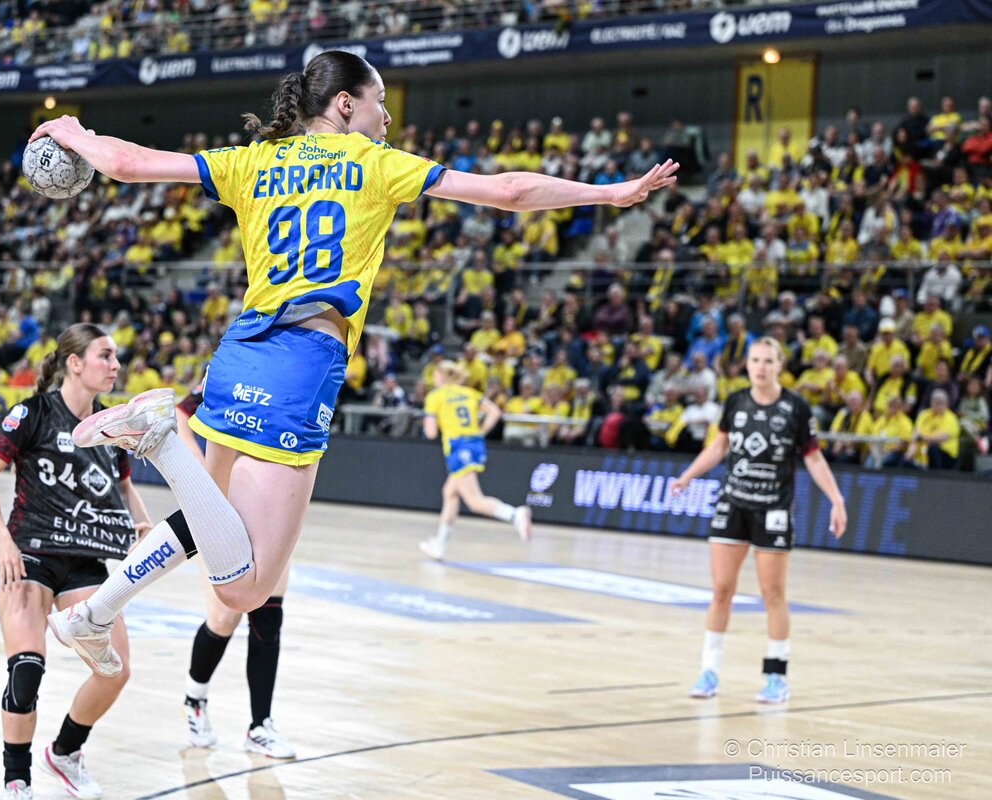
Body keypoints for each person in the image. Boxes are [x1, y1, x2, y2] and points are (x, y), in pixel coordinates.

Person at [34, 51, 678, 675]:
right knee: (246, 589)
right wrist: (611, 192)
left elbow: (127, 163)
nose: (388, 118)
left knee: (212, 518)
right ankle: (161, 442)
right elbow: (509, 191)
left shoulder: (253, 159)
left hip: (238, 354)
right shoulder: (375, 162)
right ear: (346, 104)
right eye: (380, 102)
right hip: (301, 362)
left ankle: (93, 613)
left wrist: (75, 133)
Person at [0, 323, 156, 800]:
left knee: (115, 668)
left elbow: (122, 485)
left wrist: (141, 523)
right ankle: (17, 778)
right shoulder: (33, 413)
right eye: (105, 355)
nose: (115, 365)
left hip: (85, 560)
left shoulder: (112, 425)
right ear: (75, 362)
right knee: (26, 670)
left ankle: (65, 752)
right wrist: (0, 539)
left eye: (115, 356)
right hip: (28, 555)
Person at [670, 337, 847, 705]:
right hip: (733, 504)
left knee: (773, 595)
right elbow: (719, 446)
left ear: (780, 365)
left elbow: (814, 458)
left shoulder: (796, 407)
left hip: (773, 510)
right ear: (747, 365)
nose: (761, 367)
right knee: (721, 591)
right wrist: (687, 476)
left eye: (768, 361)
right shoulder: (736, 401)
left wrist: (836, 499)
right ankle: (708, 672)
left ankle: (776, 676)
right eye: (755, 360)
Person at [173, 392, 295, 759]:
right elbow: (180, 413)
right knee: (224, 618)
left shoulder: (295, 379)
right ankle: (194, 698)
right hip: (223, 508)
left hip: (270, 506)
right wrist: (200, 467)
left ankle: (260, 726)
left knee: (269, 614)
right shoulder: (236, 373)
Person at [417, 360, 531, 560]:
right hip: (475, 445)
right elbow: (495, 412)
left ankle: (515, 515)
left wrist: (428, 419)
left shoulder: (435, 396)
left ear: (442, 376)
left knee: (474, 501)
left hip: (458, 448)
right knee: (450, 492)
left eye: (435, 374)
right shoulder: (469, 393)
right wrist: (480, 432)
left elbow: (431, 433)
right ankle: (440, 545)